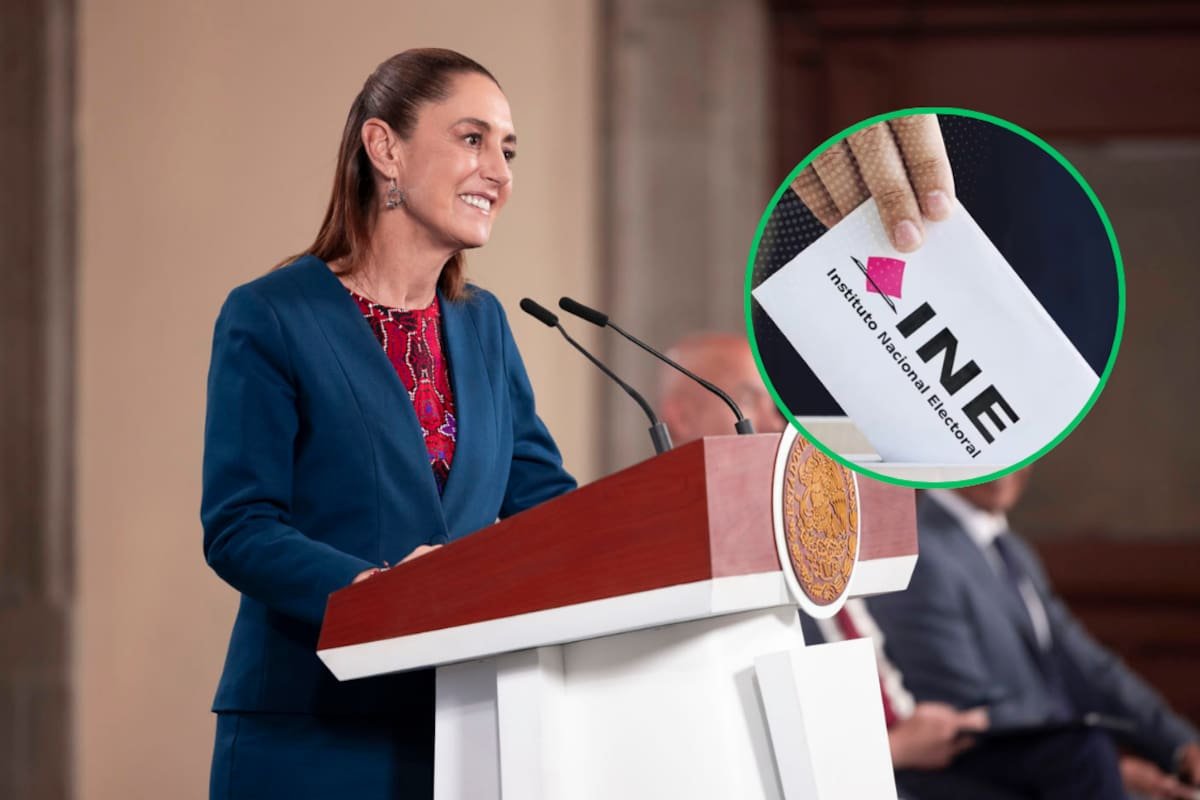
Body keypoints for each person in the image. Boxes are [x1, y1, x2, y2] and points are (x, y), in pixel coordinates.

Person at [200, 49, 576, 799]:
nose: (499, 173)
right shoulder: (272, 314)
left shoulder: (484, 324)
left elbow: (545, 507)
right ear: (385, 149)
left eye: (507, 150)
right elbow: (240, 526)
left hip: (465, 730)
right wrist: (375, 592)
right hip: (312, 730)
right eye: (472, 140)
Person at [656, 332, 996, 794]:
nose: (776, 418)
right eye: (750, 398)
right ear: (678, 414)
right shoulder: (673, 553)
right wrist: (895, 748)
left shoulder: (799, 517)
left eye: (777, 400)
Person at [868, 472, 1200, 799]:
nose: (1002, 469)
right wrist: (1108, 760)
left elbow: (1087, 665)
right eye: (983, 453)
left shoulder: (1012, 549)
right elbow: (970, 706)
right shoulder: (921, 554)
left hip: (1057, 757)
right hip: (995, 768)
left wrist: (1178, 744)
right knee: (1092, 758)